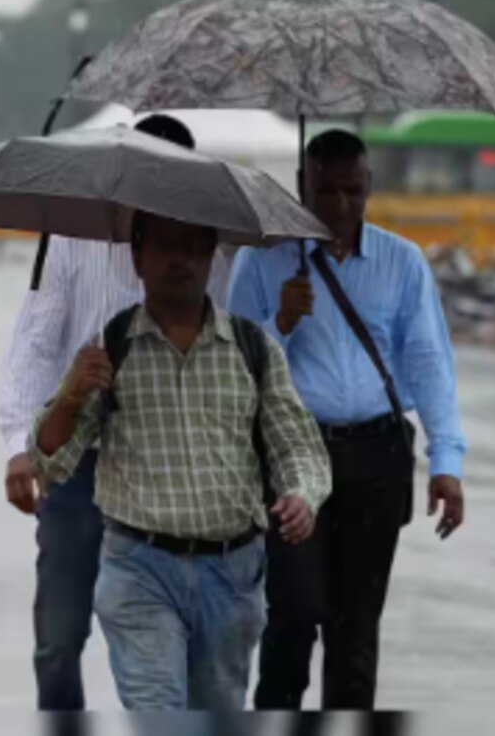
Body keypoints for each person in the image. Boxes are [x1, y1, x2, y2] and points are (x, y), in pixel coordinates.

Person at [30, 212, 331, 710]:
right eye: (168, 246)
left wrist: (301, 494)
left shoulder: (254, 347)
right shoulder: (111, 350)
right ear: (138, 258)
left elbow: (296, 444)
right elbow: (51, 463)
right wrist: (69, 394)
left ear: (212, 255)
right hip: (139, 571)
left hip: (232, 575)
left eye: (195, 246)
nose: (182, 259)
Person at [226, 129, 467, 713]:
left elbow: (429, 360)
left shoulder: (402, 262)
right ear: (302, 187)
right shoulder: (261, 260)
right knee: (293, 614)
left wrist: (446, 461)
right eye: (326, 191)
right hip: (292, 457)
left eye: (352, 192)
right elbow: (230, 365)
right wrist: (279, 320)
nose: (339, 206)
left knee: (356, 627)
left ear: (369, 188)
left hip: (377, 454)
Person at [0, 114, 229, 712]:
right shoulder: (72, 239)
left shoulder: (212, 250)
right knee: (59, 638)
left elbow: (236, 349)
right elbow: (34, 344)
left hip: (174, 472)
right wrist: (17, 448)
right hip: (79, 469)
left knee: (176, 641)